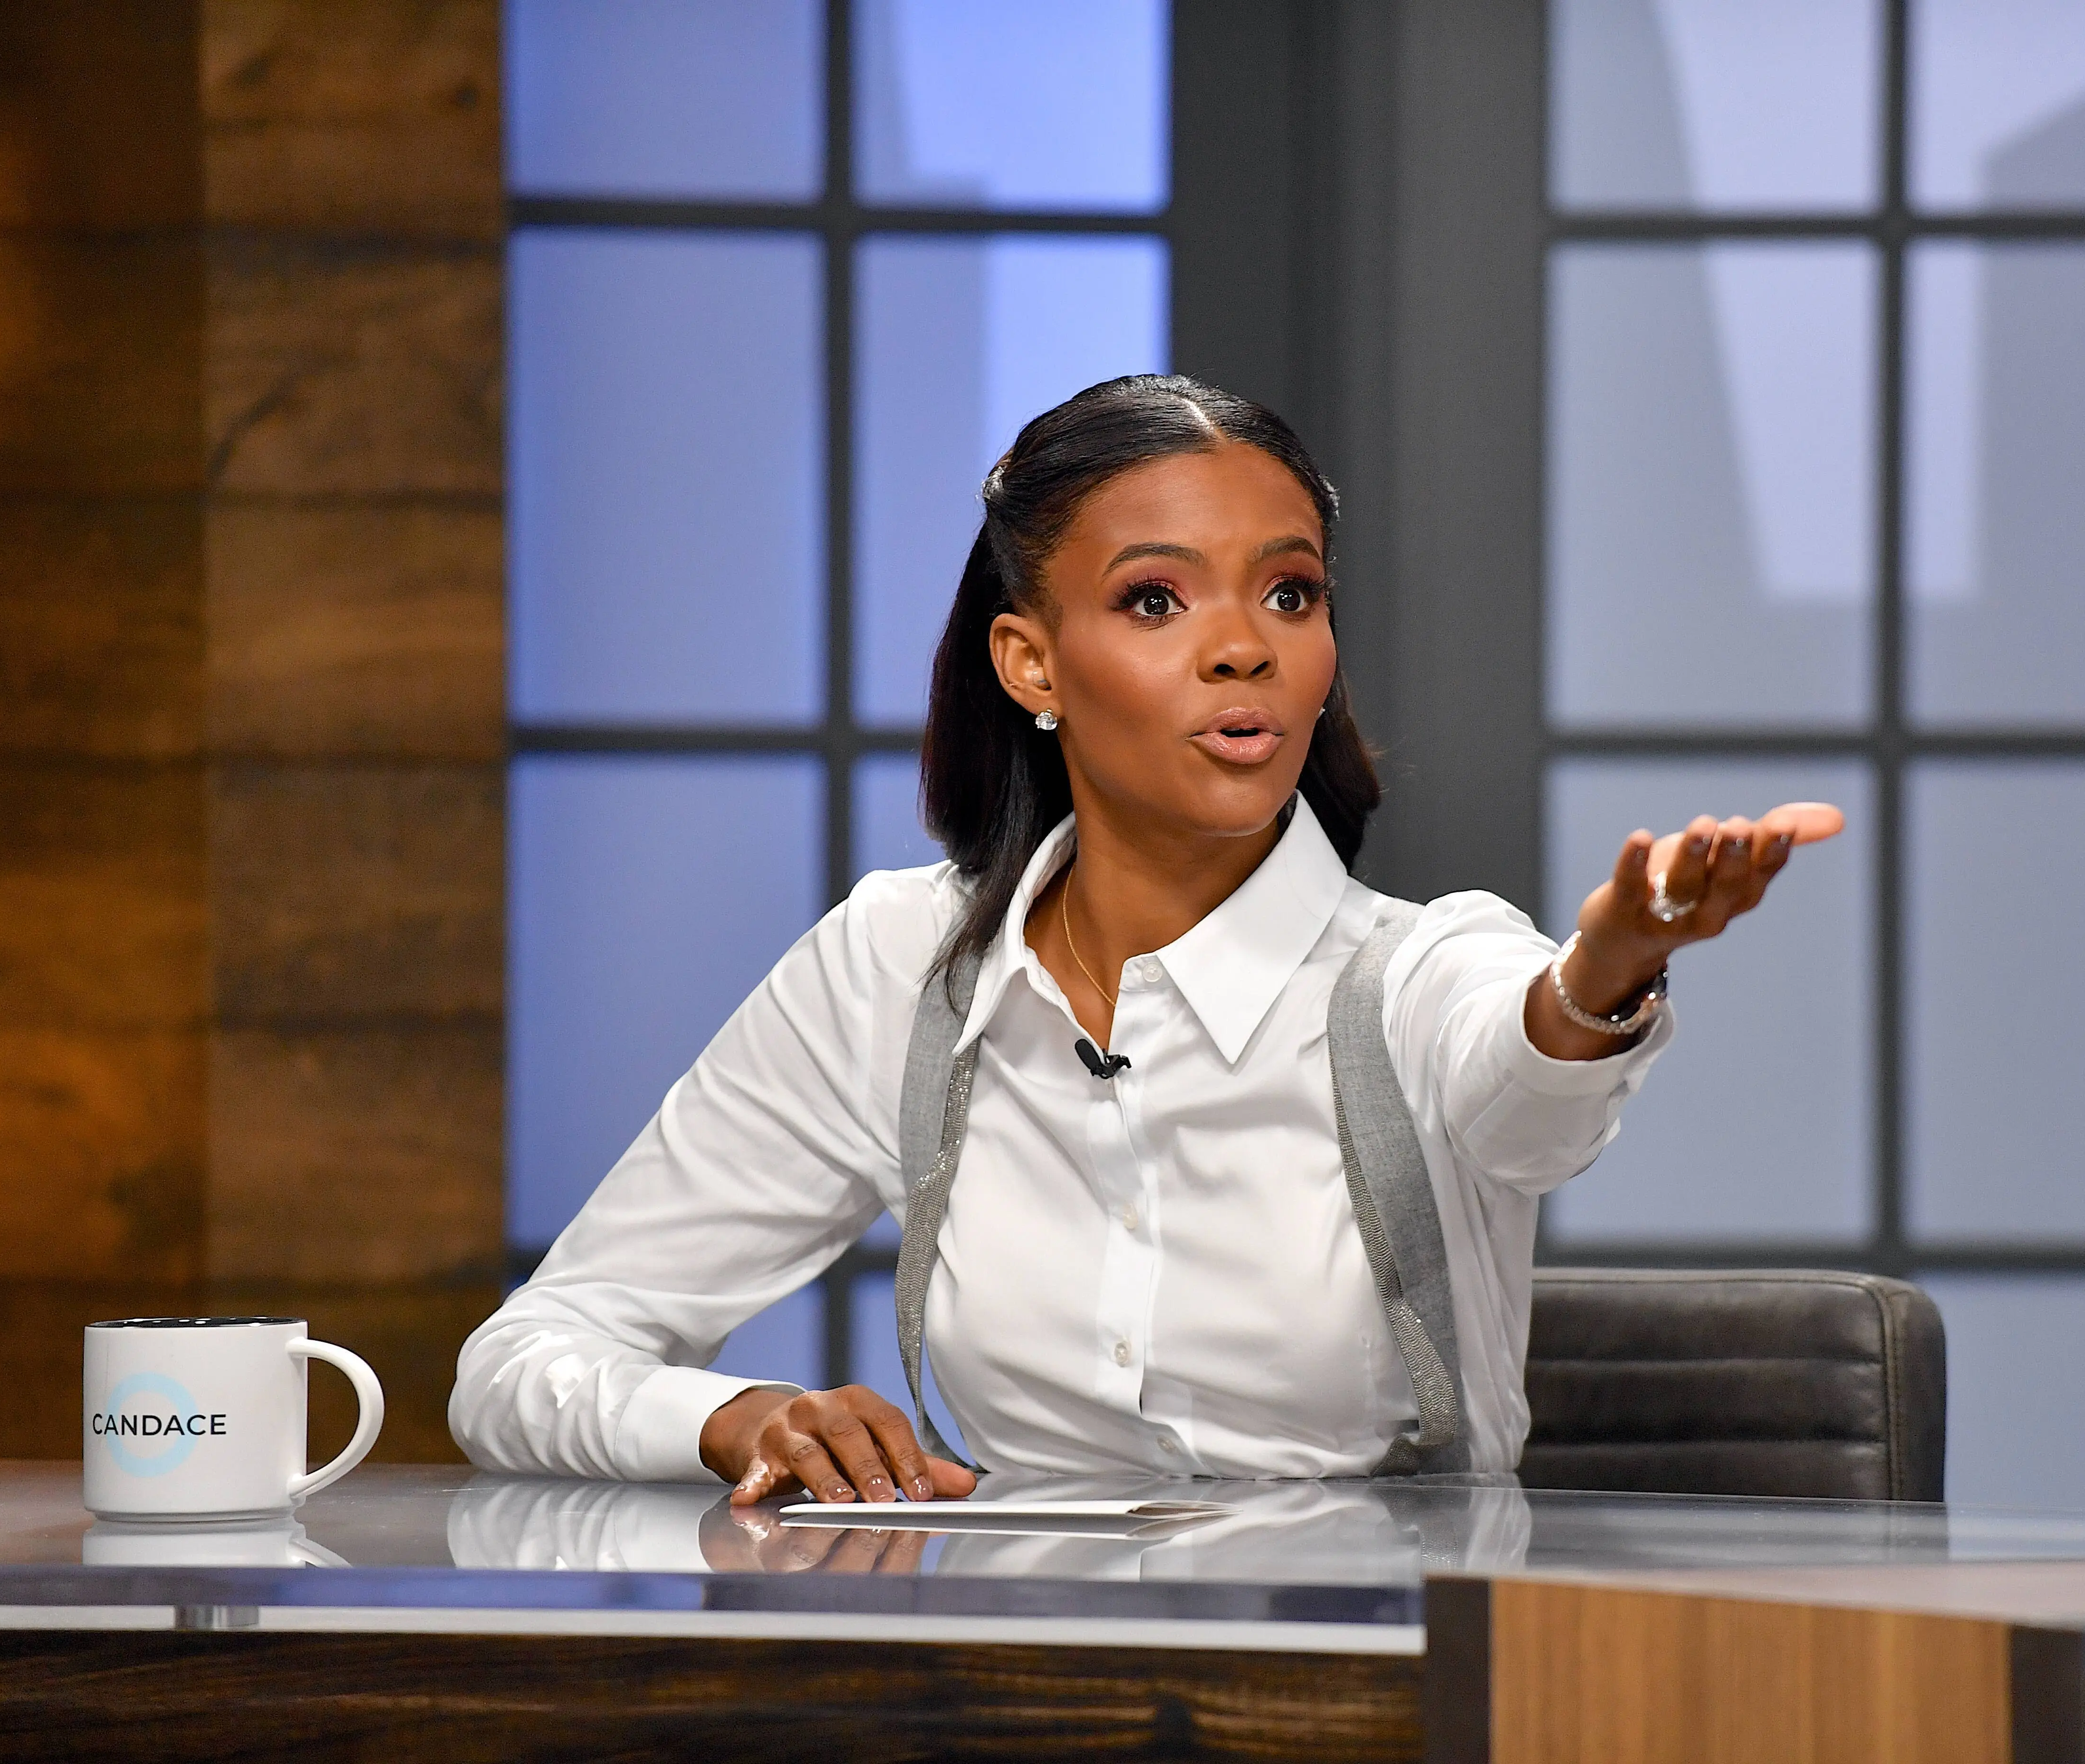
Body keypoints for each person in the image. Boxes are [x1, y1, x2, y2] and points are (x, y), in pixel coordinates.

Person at [450, 374, 1843, 1507]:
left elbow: (1526, 1094)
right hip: (1017, 1687)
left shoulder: (1416, 970)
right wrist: (735, 1415)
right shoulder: (899, 967)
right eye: (1157, 601)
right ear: (1031, 663)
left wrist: (1604, 976)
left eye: (1289, 594)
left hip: (1393, 1687)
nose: (1244, 649)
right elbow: (526, 1361)